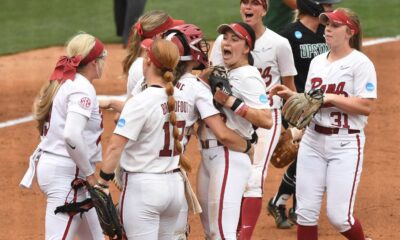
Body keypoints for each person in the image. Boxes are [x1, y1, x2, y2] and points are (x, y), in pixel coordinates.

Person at [269, 8, 377, 240]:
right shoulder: (317, 63)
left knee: (340, 217)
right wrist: (292, 97)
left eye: (334, 25)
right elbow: (310, 104)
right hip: (313, 142)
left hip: (345, 143)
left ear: (350, 31)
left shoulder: (360, 63)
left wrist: (330, 97)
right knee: (306, 214)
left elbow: (366, 106)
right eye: (326, 24)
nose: (327, 29)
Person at [210, 1, 297, 238]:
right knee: (233, 172)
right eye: (245, 2)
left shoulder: (279, 44)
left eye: (255, 3)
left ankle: (242, 235)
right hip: (232, 116)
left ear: (265, 10)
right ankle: (228, 228)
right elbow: (212, 77)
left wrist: (292, 125)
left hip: (266, 115)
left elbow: (289, 88)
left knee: (255, 176)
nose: (248, 7)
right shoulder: (223, 42)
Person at [96, 39, 188, 239]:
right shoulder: (181, 99)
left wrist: (102, 182)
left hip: (144, 190)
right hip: (174, 188)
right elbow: (153, 115)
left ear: (148, 61)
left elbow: (114, 147)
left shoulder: (141, 101)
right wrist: (113, 102)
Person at [19, 33, 107, 239]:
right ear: (94, 62)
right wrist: (90, 175)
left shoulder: (66, 80)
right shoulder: (83, 88)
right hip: (69, 175)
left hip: (60, 167)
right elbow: (72, 136)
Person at [267, 0, 340, 229]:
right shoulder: (288, 35)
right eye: (328, 7)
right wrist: (294, 105)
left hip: (321, 107)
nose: (332, 11)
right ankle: (281, 203)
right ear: (315, 9)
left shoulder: (327, 34)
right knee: (307, 158)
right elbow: (281, 72)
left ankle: (287, 203)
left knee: (311, 160)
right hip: (296, 106)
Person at [199, 22, 273, 239]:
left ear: (247, 47)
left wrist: (232, 102)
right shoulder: (223, 72)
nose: (226, 43)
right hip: (208, 155)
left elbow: (266, 119)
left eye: (234, 39)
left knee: (222, 232)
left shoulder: (248, 75)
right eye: (225, 38)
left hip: (229, 155)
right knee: (210, 232)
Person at [123, 10, 184, 96]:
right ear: (160, 36)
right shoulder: (143, 68)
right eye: (171, 33)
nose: (174, 37)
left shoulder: (152, 61)